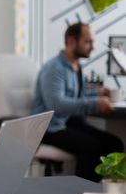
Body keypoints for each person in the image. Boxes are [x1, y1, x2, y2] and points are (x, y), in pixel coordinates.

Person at [31, 23, 123, 181]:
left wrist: (97, 92)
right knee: (92, 147)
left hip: (69, 122)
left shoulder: (75, 66)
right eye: (88, 42)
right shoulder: (54, 68)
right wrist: (95, 102)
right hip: (49, 128)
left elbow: (74, 93)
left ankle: (106, 191)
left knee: (114, 144)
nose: (92, 47)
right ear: (72, 41)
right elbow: (57, 105)